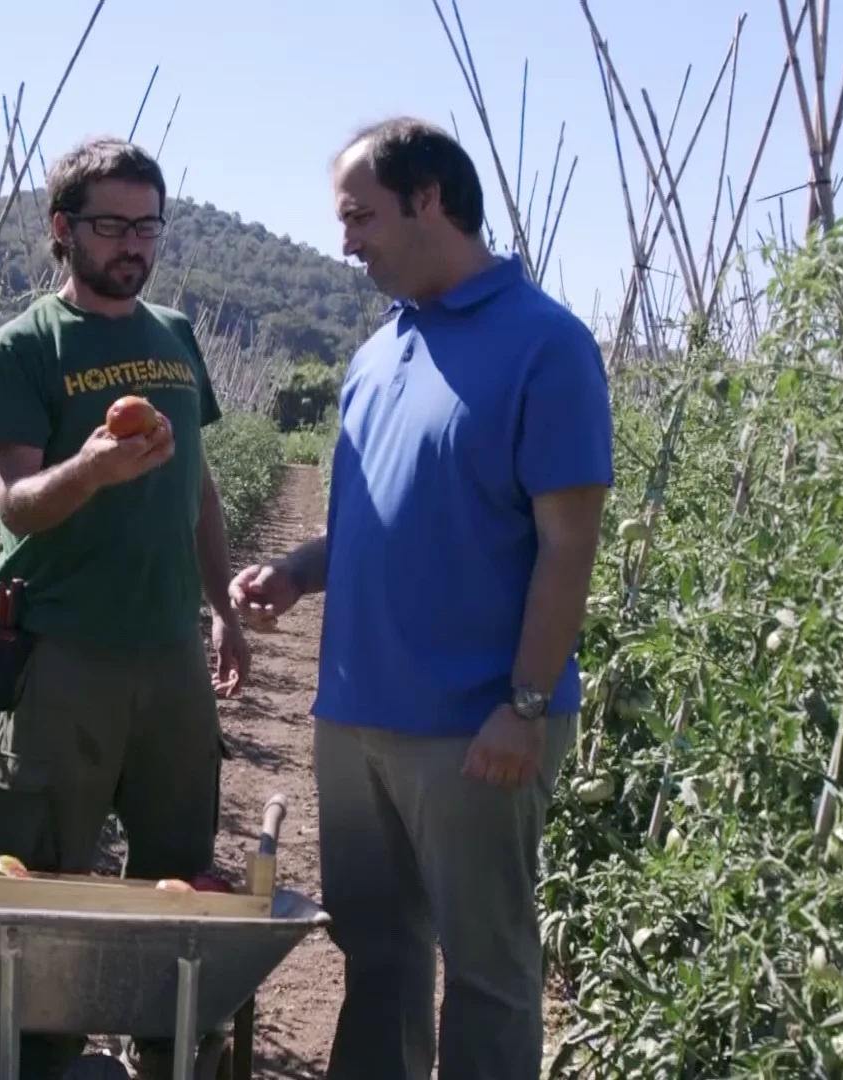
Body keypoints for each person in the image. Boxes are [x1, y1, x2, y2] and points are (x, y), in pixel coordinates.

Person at [229, 117, 614, 1080]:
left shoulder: (546, 346)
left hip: (476, 725)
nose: (346, 238)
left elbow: (571, 545)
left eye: (360, 215)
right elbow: (375, 519)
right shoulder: (376, 354)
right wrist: (300, 570)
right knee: (379, 955)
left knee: (485, 969)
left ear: (430, 200)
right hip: (356, 717)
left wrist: (524, 706)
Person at [0, 135, 251, 1080]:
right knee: (41, 887)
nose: (134, 243)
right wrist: (87, 469)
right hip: (65, 658)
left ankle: (167, 1054)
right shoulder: (25, 347)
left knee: (181, 880)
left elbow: (200, 491)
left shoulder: (172, 336)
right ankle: (41, 1061)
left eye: (148, 225)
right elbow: (14, 503)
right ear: (63, 230)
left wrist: (223, 606)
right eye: (112, 225)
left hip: (169, 652)